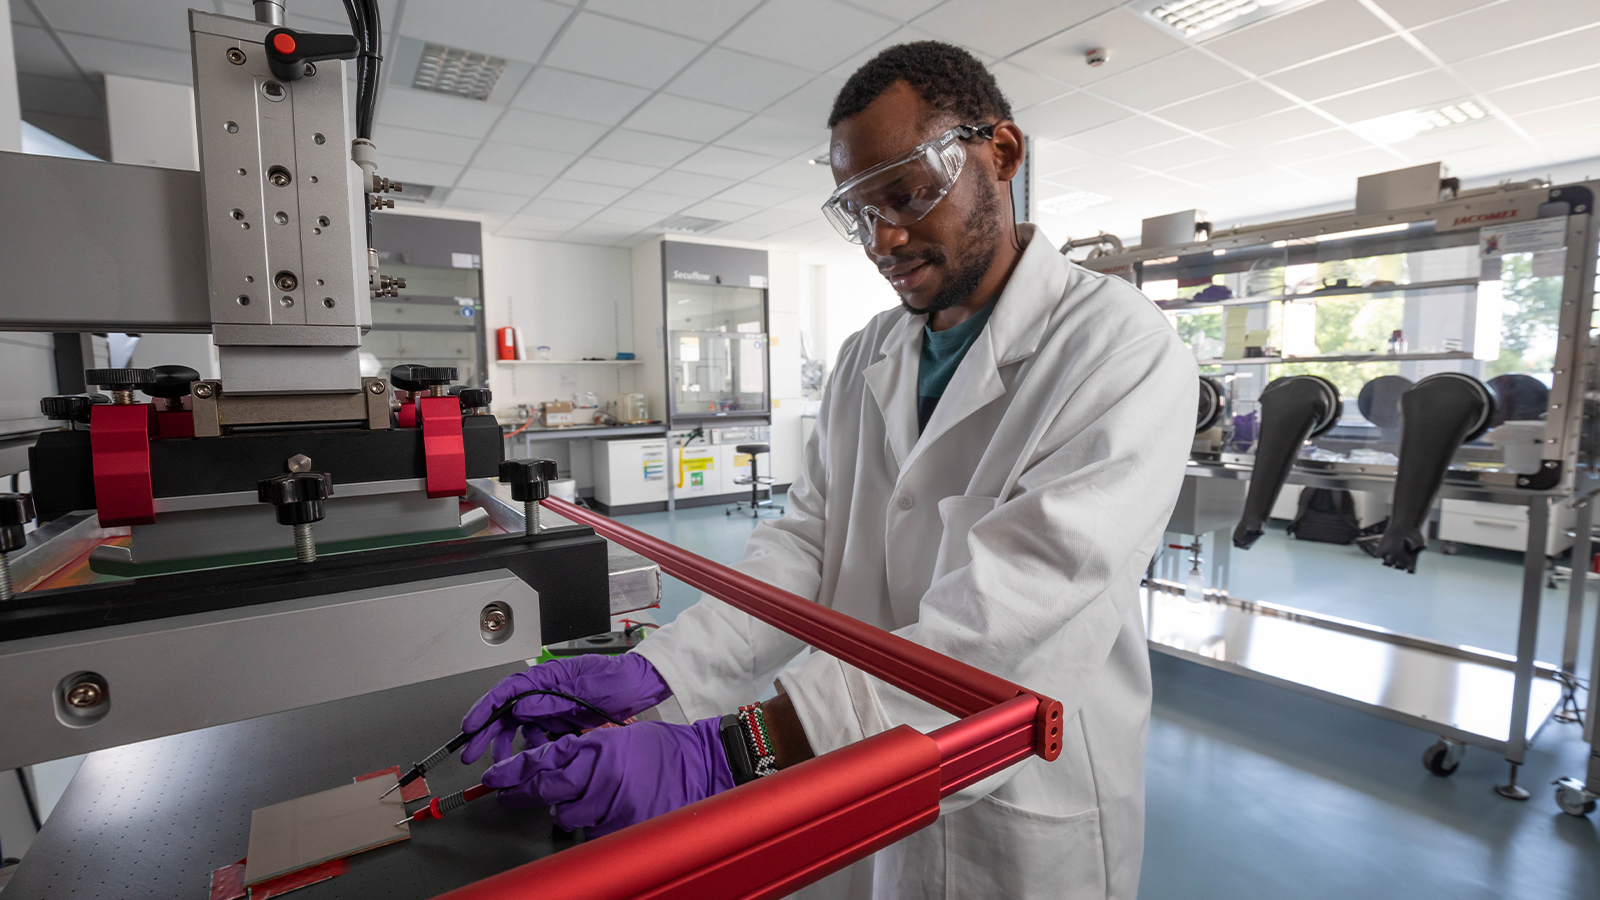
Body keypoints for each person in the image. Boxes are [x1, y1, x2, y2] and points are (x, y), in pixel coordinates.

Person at [460, 41, 1197, 900]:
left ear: (1001, 153)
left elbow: (1013, 621)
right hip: (862, 788)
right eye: (858, 210)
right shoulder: (869, 356)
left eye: (910, 191)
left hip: (1024, 814)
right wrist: (662, 671)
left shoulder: (1117, 348)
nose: (884, 237)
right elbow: (804, 550)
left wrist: (734, 750)